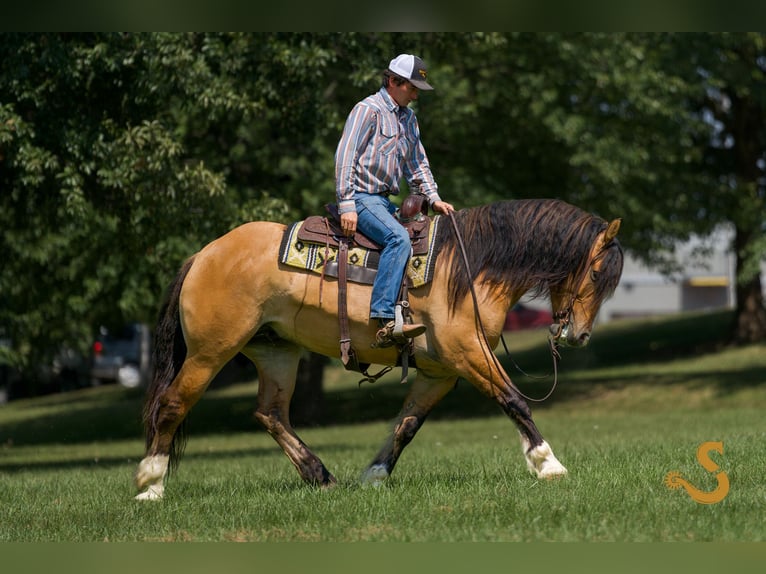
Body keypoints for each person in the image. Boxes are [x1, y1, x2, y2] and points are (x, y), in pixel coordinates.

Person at [335, 53, 455, 345]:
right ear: (392, 81)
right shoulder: (368, 110)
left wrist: (434, 198)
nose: (415, 95)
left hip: (384, 200)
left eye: (417, 89)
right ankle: (384, 319)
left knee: (423, 239)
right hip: (362, 198)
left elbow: (417, 164)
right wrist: (347, 205)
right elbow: (344, 157)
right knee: (398, 239)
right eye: (411, 88)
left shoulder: (409, 119)